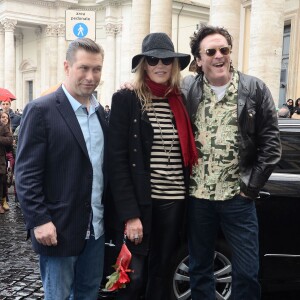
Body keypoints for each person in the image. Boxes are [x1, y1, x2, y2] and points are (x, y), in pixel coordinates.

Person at [186, 25, 281, 300]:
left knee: (248, 271)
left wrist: (249, 188)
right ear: (198, 59)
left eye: (224, 50)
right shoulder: (186, 88)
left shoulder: (254, 89)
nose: (219, 56)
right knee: (199, 269)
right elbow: (153, 90)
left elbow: (271, 146)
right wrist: (131, 85)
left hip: (238, 198)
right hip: (198, 198)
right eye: (211, 51)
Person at [15, 38, 108, 300]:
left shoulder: (100, 113)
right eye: (84, 68)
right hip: (57, 229)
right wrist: (39, 220)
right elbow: (26, 174)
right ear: (67, 67)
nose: (91, 77)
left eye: (97, 69)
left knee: (88, 294)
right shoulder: (41, 110)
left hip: (96, 228)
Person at [108, 32, 197, 300]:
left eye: (166, 60)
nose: (160, 65)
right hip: (142, 204)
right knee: (133, 276)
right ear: (144, 64)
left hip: (175, 201)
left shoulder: (180, 100)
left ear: (174, 66)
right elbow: (117, 161)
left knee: (161, 273)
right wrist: (130, 215)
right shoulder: (127, 99)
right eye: (153, 60)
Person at [0, 111, 14, 211]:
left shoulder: (3, 127)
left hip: (2, 158)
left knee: (2, 181)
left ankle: (2, 202)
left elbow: (10, 140)